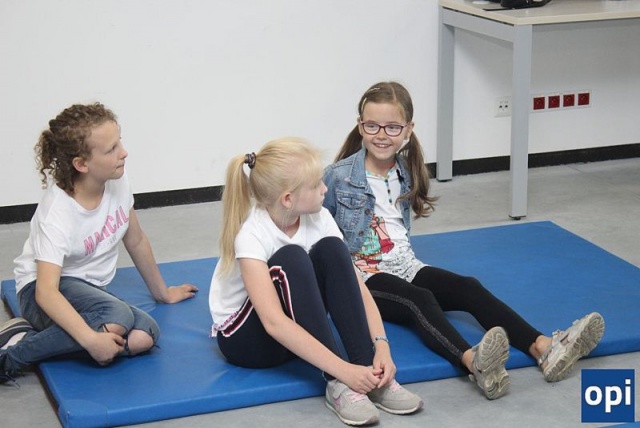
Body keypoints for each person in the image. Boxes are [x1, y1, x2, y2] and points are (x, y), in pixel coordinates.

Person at [322, 81, 605, 400]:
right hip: (364, 278)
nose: (381, 135)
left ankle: (544, 348)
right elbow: (318, 230)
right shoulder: (338, 175)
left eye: (392, 127)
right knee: (419, 300)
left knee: (468, 286)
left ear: (408, 129)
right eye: (372, 125)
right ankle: (474, 363)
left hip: (407, 266)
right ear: (360, 125)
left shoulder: (406, 169)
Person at [208, 138, 423, 425]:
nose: (325, 189)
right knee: (292, 257)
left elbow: (356, 287)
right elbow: (273, 322)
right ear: (288, 199)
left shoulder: (320, 217)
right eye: (315, 185)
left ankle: (369, 371)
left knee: (332, 249)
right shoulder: (252, 234)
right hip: (249, 341)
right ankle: (338, 382)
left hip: (293, 332)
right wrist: (342, 370)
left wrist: (381, 347)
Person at [1, 103, 198, 386]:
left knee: (145, 335)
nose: (124, 152)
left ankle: (41, 338)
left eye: (120, 142)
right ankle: (12, 357)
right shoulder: (58, 212)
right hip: (40, 294)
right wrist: (91, 340)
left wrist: (163, 293)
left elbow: (136, 239)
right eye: (111, 149)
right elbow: (46, 292)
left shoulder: (118, 180)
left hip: (89, 293)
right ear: (81, 164)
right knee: (116, 317)